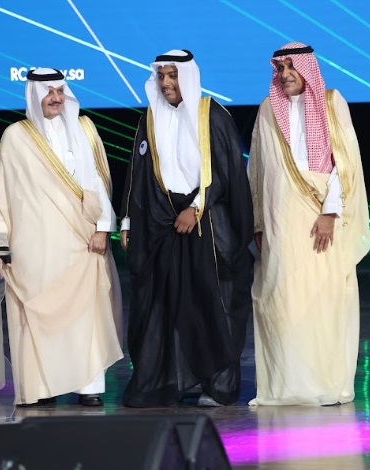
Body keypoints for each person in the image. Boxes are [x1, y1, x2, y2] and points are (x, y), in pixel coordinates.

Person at [120, 49, 254, 408]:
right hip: (161, 225)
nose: (166, 83)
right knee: (165, 306)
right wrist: (128, 220)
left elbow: (225, 172)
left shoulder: (212, 115)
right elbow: (137, 174)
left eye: (173, 75)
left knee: (210, 305)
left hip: (206, 225)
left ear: (188, 77)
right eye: (161, 76)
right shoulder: (150, 118)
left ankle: (216, 383)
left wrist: (195, 207)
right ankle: (168, 381)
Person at [0, 68, 123, 407]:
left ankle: (88, 386)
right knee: (35, 317)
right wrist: (1, 244)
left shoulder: (82, 129)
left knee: (84, 316)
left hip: (80, 241)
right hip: (33, 247)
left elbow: (96, 182)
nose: (56, 98)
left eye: (60, 91)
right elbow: (1, 194)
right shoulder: (15, 136)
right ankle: (42, 388)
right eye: (49, 92)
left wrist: (103, 227)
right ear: (35, 95)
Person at [248, 42, 370, 406]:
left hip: (322, 220)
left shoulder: (332, 103)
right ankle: (287, 386)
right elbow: (257, 169)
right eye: (280, 68)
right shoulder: (268, 109)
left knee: (323, 301)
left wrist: (330, 213)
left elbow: (345, 163)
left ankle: (324, 384)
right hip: (280, 223)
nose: (285, 74)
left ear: (307, 69)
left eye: (292, 67)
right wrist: (259, 222)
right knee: (283, 302)